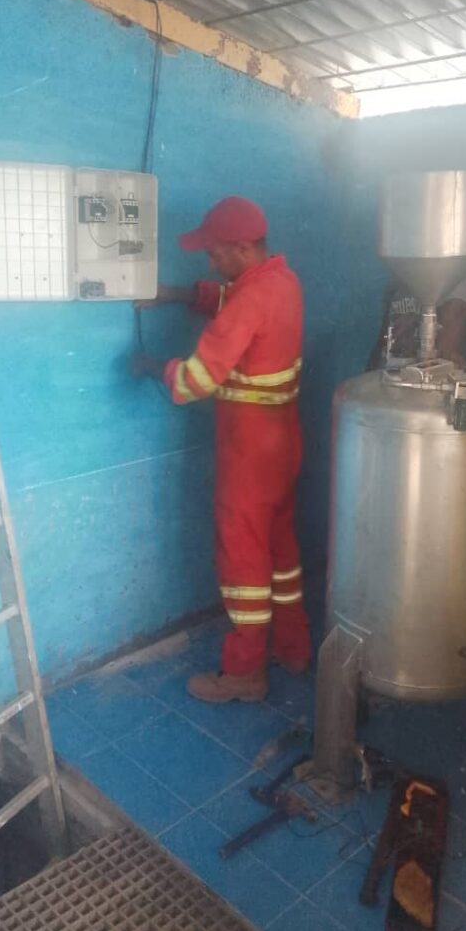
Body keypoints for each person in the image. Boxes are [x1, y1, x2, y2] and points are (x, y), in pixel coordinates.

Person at [132, 196, 312, 703]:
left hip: (249, 452)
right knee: (279, 550)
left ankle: (244, 674)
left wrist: (151, 366)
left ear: (241, 248)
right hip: (283, 442)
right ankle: (294, 648)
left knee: (242, 559)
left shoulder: (250, 299)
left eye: (214, 254)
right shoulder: (282, 281)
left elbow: (195, 380)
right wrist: (176, 295)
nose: (209, 263)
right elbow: (233, 302)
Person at [367, 271, 466, 370]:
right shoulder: (399, 275)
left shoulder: (458, 276)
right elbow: (383, 339)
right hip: (389, 374)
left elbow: (447, 350)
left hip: (424, 379)